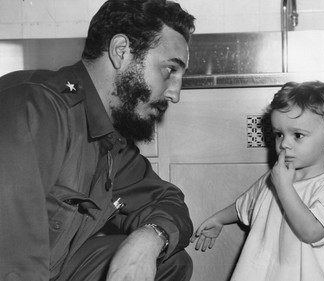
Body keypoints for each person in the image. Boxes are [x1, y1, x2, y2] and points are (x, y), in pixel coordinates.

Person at [0, 0, 195, 280]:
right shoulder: (34, 107)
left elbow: (167, 200)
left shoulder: (108, 137)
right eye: (169, 70)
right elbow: (14, 264)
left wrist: (150, 238)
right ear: (121, 51)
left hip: (50, 269)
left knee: (170, 261)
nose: (175, 93)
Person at [191, 81, 324, 281]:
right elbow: (244, 205)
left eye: (297, 135)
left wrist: (284, 186)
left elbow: (312, 232)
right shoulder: (275, 177)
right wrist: (218, 219)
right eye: (279, 134)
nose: (284, 143)